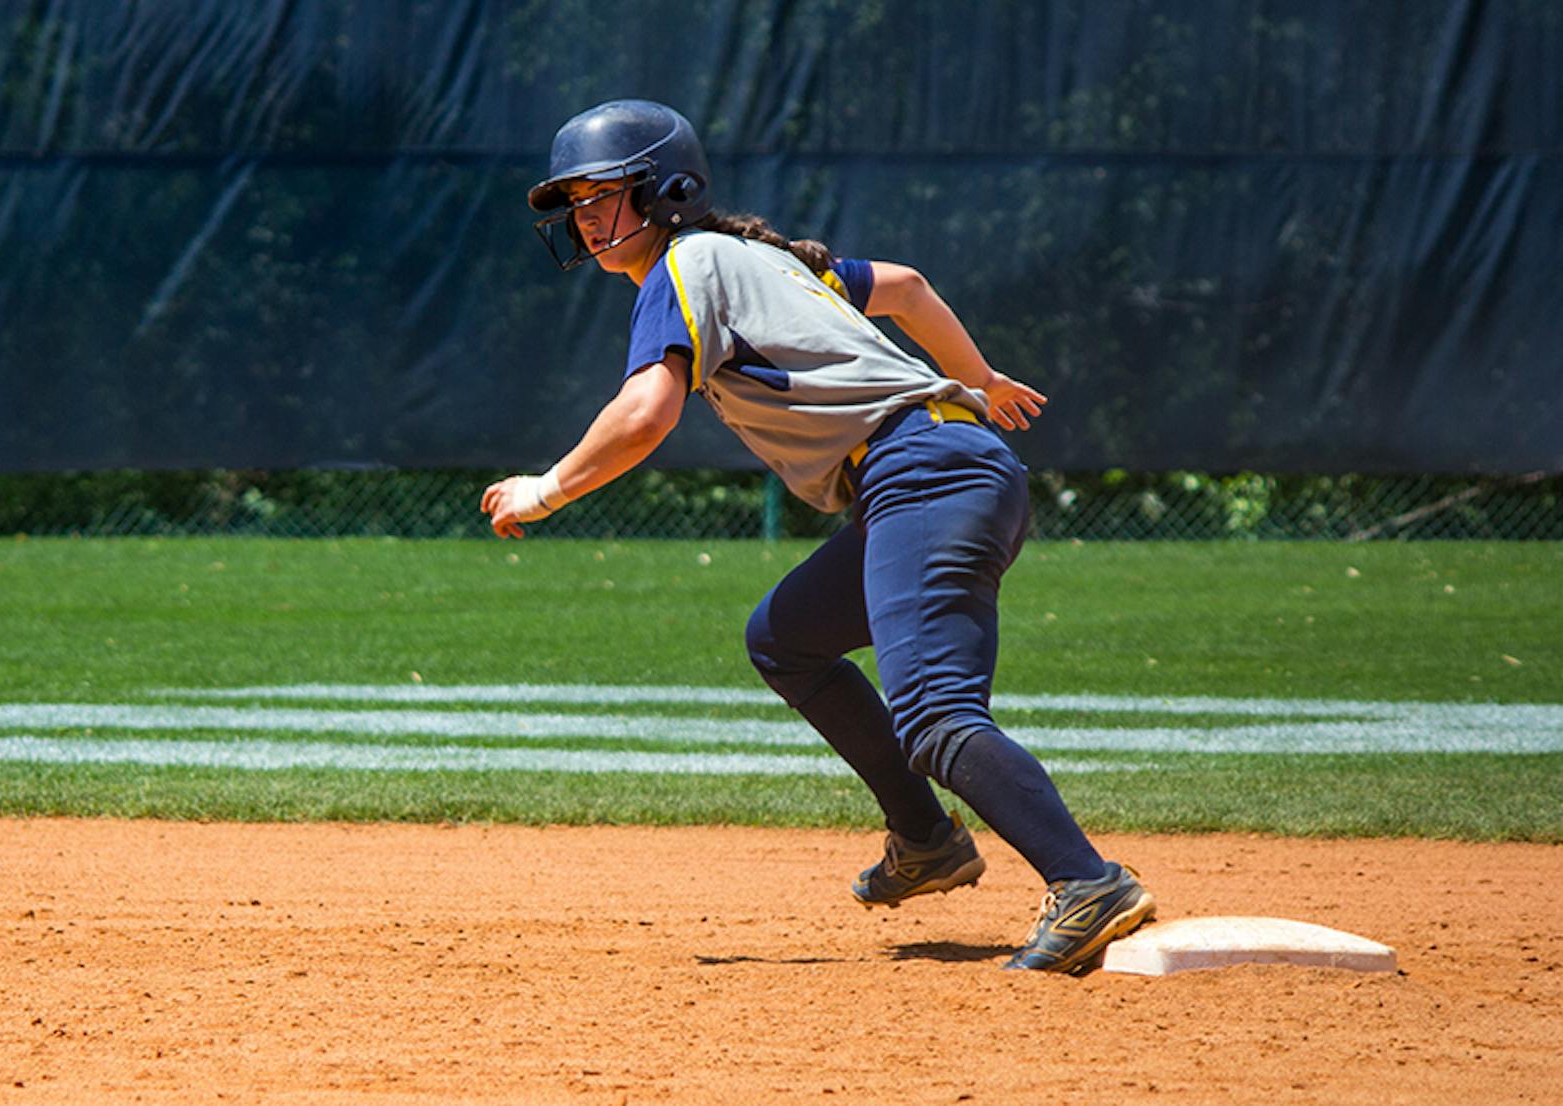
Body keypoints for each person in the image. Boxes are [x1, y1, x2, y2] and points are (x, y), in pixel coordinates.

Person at [482, 100, 1155, 974]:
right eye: (574, 202)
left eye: (601, 194)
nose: (585, 217)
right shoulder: (762, 259)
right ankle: (926, 839)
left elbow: (645, 414)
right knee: (785, 638)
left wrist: (546, 490)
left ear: (667, 191)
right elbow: (908, 288)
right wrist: (977, 378)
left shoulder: (683, 267)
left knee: (934, 717)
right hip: (931, 471)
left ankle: (1086, 880)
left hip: (925, 473)